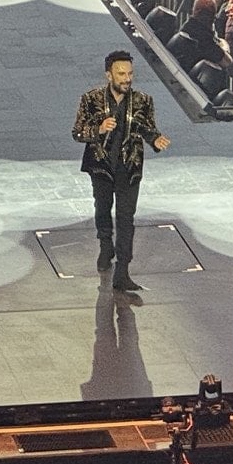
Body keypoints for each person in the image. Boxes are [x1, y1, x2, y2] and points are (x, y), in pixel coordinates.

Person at [72, 49, 170, 293]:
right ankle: (105, 245)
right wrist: (98, 129)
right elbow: (77, 132)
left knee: (126, 218)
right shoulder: (91, 99)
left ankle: (123, 270)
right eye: (121, 74)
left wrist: (155, 139)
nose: (127, 79)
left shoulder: (143, 101)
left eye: (130, 74)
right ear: (109, 75)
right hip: (102, 166)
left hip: (129, 168)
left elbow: (148, 128)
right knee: (102, 209)